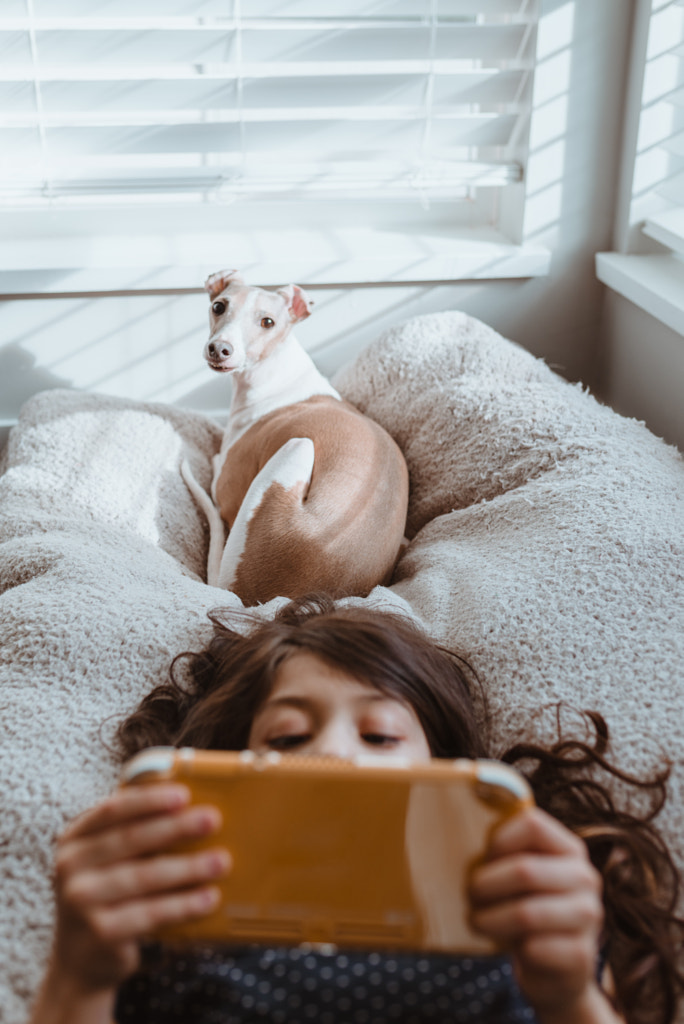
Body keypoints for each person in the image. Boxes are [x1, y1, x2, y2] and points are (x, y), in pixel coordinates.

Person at [29, 595, 683, 1024]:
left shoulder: (526, 913)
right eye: (287, 738)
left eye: (380, 736)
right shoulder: (177, 923)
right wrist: (77, 978)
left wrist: (571, 998)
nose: (334, 755)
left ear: (447, 770)